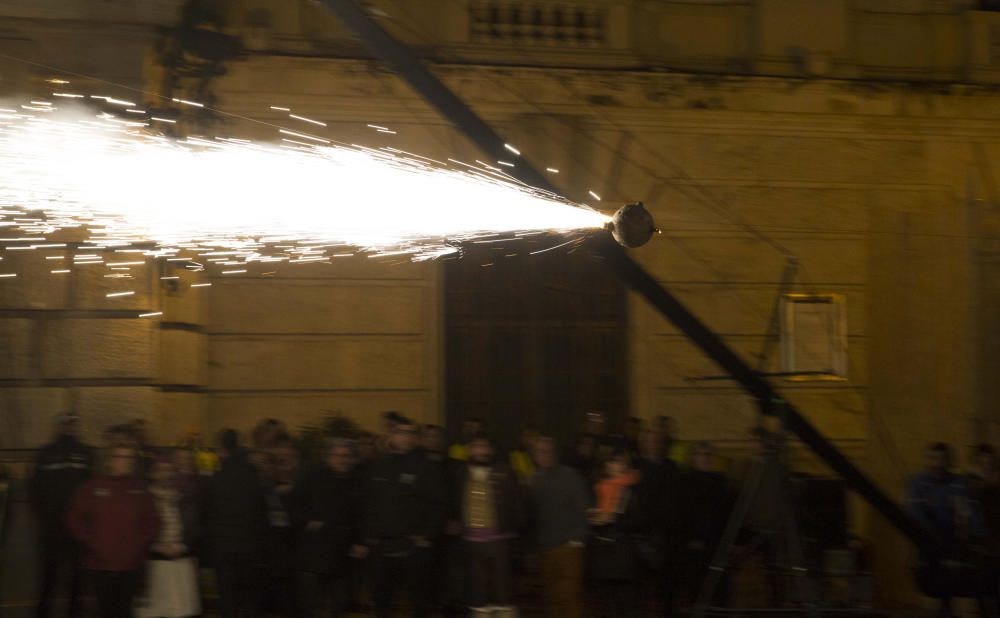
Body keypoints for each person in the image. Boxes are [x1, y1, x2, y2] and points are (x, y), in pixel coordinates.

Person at [363, 416, 446, 618]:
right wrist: (369, 535)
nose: (405, 438)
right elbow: (367, 503)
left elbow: (437, 504)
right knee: (381, 600)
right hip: (382, 546)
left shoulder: (425, 467)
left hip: (413, 546)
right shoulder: (378, 466)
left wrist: (426, 535)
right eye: (401, 432)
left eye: (410, 433)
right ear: (391, 435)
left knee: (418, 602)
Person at [67, 444, 160, 618]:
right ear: (110, 460)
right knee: (106, 610)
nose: (127, 462)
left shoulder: (140, 488)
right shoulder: (93, 486)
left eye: (130, 458)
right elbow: (75, 518)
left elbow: (153, 522)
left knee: (126, 610)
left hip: (131, 565)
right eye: (121, 457)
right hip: (101, 565)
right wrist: (92, 542)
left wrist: (139, 546)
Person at [448, 433, 522, 615]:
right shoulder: (460, 473)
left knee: (502, 591)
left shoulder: (505, 472)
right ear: (470, 450)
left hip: (500, 540)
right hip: (471, 541)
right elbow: (453, 502)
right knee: (476, 591)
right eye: (476, 446)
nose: (480, 451)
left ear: (491, 450)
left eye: (484, 446)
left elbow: (518, 504)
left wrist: (516, 533)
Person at [30, 412, 95, 618]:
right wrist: (44, 517)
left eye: (72, 424)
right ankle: (44, 611)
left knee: (78, 574)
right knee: (50, 573)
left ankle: (75, 612)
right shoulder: (46, 453)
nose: (69, 427)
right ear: (58, 426)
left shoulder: (85, 453)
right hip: (52, 526)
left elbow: (91, 487)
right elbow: (35, 489)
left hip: (78, 526)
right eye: (65, 424)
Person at [298, 438, 366, 618]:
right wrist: (307, 521)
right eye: (338, 456)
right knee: (311, 606)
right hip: (314, 554)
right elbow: (296, 502)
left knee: (340, 604)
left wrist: (359, 541)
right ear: (328, 457)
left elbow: (361, 515)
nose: (342, 460)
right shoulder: (313, 476)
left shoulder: (356, 481)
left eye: (346, 456)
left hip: (342, 555)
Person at [204, 429, 267, 618]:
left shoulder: (217, 477)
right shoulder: (252, 475)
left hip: (223, 548)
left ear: (223, 449)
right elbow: (260, 511)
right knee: (249, 598)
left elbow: (208, 511)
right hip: (249, 548)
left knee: (227, 598)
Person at [135, 452, 201, 618]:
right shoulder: (145, 498)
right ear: (153, 473)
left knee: (180, 611)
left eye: (169, 470)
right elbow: (138, 530)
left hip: (180, 561)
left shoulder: (182, 498)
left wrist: (183, 545)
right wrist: (156, 546)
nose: (166, 474)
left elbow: (194, 528)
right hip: (155, 563)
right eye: (161, 470)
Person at [530, 436, 590, 618]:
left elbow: (585, 509)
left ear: (555, 453)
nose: (544, 455)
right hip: (545, 548)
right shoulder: (534, 479)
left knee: (570, 599)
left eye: (548, 451)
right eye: (539, 452)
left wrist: (577, 540)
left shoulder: (570, 475)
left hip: (568, 547)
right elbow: (533, 516)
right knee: (551, 599)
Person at [588, 451, 644, 618]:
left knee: (627, 604)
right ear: (606, 466)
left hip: (624, 552)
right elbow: (597, 519)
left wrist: (613, 518)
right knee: (609, 605)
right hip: (604, 552)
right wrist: (594, 518)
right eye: (613, 462)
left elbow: (641, 521)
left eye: (621, 462)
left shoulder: (633, 488)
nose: (617, 466)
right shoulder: (600, 488)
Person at [680, 442, 731, 607]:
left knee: (718, 588)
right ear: (694, 458)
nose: (706, 459)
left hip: (717, 542)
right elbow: (684, 514)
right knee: (698, 587)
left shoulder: (721, 482)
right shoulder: (686, 482)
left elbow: (726, 512)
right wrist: (692, 537)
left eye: (709, 455)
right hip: (697, 544)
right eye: (702, 455)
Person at [262, 435, 302, 618]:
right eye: (279, 460)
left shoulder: (300, 487)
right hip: (270, 561)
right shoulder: (265, 488)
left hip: (293, 562)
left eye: (287, 459)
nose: (283, 464)